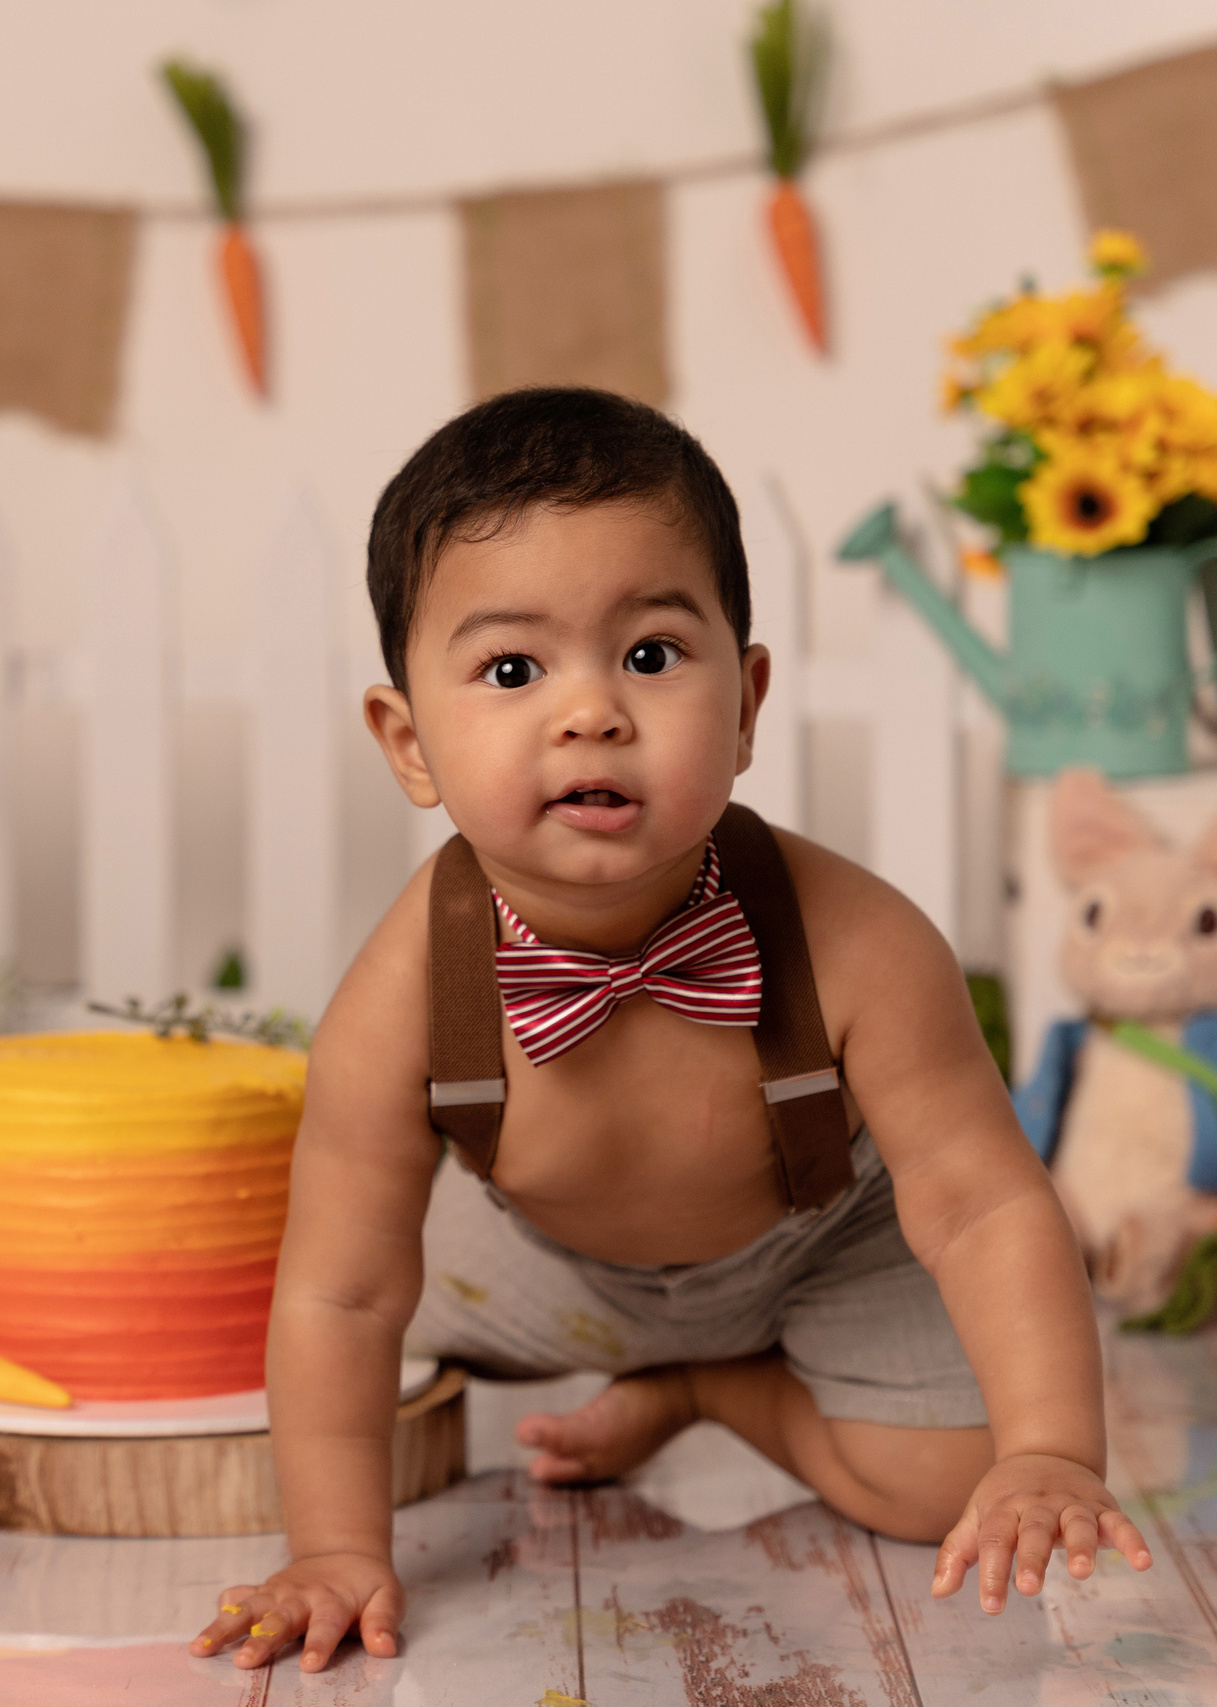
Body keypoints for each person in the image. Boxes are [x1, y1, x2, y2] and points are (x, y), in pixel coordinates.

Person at [192, 389, 1148, 1674]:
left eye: (648, 654)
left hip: (818, 1243)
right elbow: (344, 1287)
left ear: (746, 705)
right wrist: (334, 1545)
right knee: (324, 1312)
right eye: (513, 669)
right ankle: (651, 1377)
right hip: (530, 1262)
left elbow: (980, 1207)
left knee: (949, 1485)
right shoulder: (404, 990)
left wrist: (1044, 1448)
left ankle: (720, 1391)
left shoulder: (860, 941)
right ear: (409, 744)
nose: (589, 711)